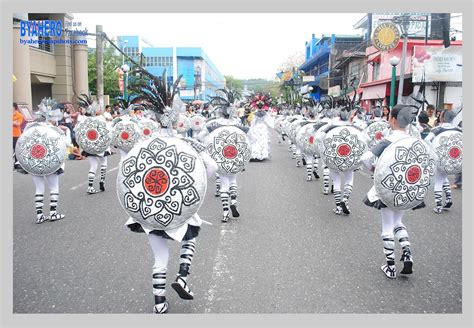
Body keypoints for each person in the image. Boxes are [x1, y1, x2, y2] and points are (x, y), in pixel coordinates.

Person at [361, 105, 419, 279]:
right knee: (399, 221)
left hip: (388, 186)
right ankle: (407, 253)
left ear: (393, 119)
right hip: (407, 187)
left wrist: (373, 169)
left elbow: (365, 158)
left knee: (387, 226)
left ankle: (391, 266)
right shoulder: (414, 141)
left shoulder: (387, 141)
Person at [424, 110, 462, 214]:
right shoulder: (459, 129)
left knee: (438, 181)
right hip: (452, 160)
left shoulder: (438, 129)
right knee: (444, 178)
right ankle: (449, 198)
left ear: (442, 117)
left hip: (440, 159)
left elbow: (427, 140)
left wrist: (433, 149)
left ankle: (438, 205)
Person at [12, 102, 24, 169]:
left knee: (16, 150)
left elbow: (18, 124)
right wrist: (13, 122)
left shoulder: (19, 115)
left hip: (16, 135)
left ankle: (17, 164)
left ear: (14, 107)